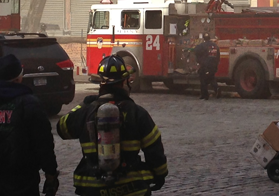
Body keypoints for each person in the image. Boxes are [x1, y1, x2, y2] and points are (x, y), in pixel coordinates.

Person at [57, 55, 168, 195]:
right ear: (124, 82)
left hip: (93, 189)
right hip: (132, 189)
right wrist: (160, 175)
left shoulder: (86, 111)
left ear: (101, 83)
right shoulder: (137, 113)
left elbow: (62, 128)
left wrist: (84, 105)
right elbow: (154, 149)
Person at [0, 54, 59, 196]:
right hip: (23, 178)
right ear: (19, 78)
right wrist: (51, 173)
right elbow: (43, 143)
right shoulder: (30, 103)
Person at [194, 33, 221, 100]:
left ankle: (205, 95)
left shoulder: (202, 45)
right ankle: (217, 89)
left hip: (205, 65)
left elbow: (196, 51)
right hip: (213, 65)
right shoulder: (215, 46)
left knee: (203, 79)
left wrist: (199, 60)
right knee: (211, 77)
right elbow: (218, 56)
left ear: (204, 38)